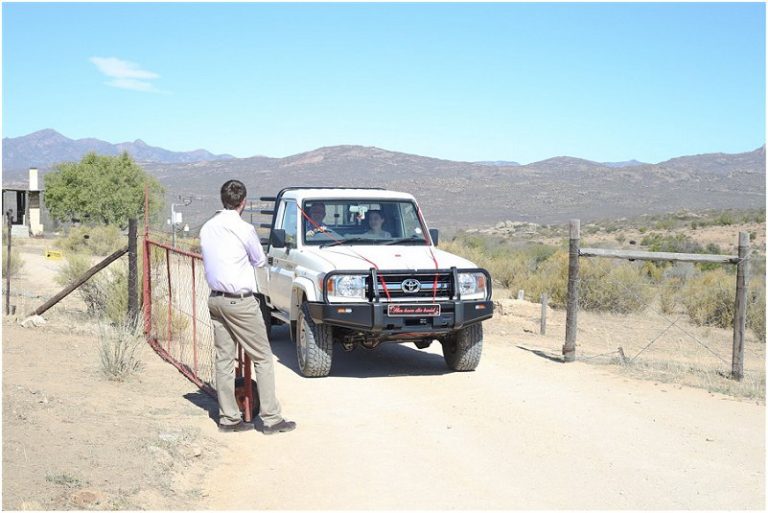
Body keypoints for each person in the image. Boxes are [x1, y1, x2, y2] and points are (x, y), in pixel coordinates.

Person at [200, 180, 296, 435]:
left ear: (223, 199)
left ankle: (229, 418)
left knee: (224, 359)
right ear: (243, 202)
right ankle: (271, 418)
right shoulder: (244, 229)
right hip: (240, 301)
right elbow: (259, 260)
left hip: (216, 299)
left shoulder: (208, 227)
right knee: (262, 357)